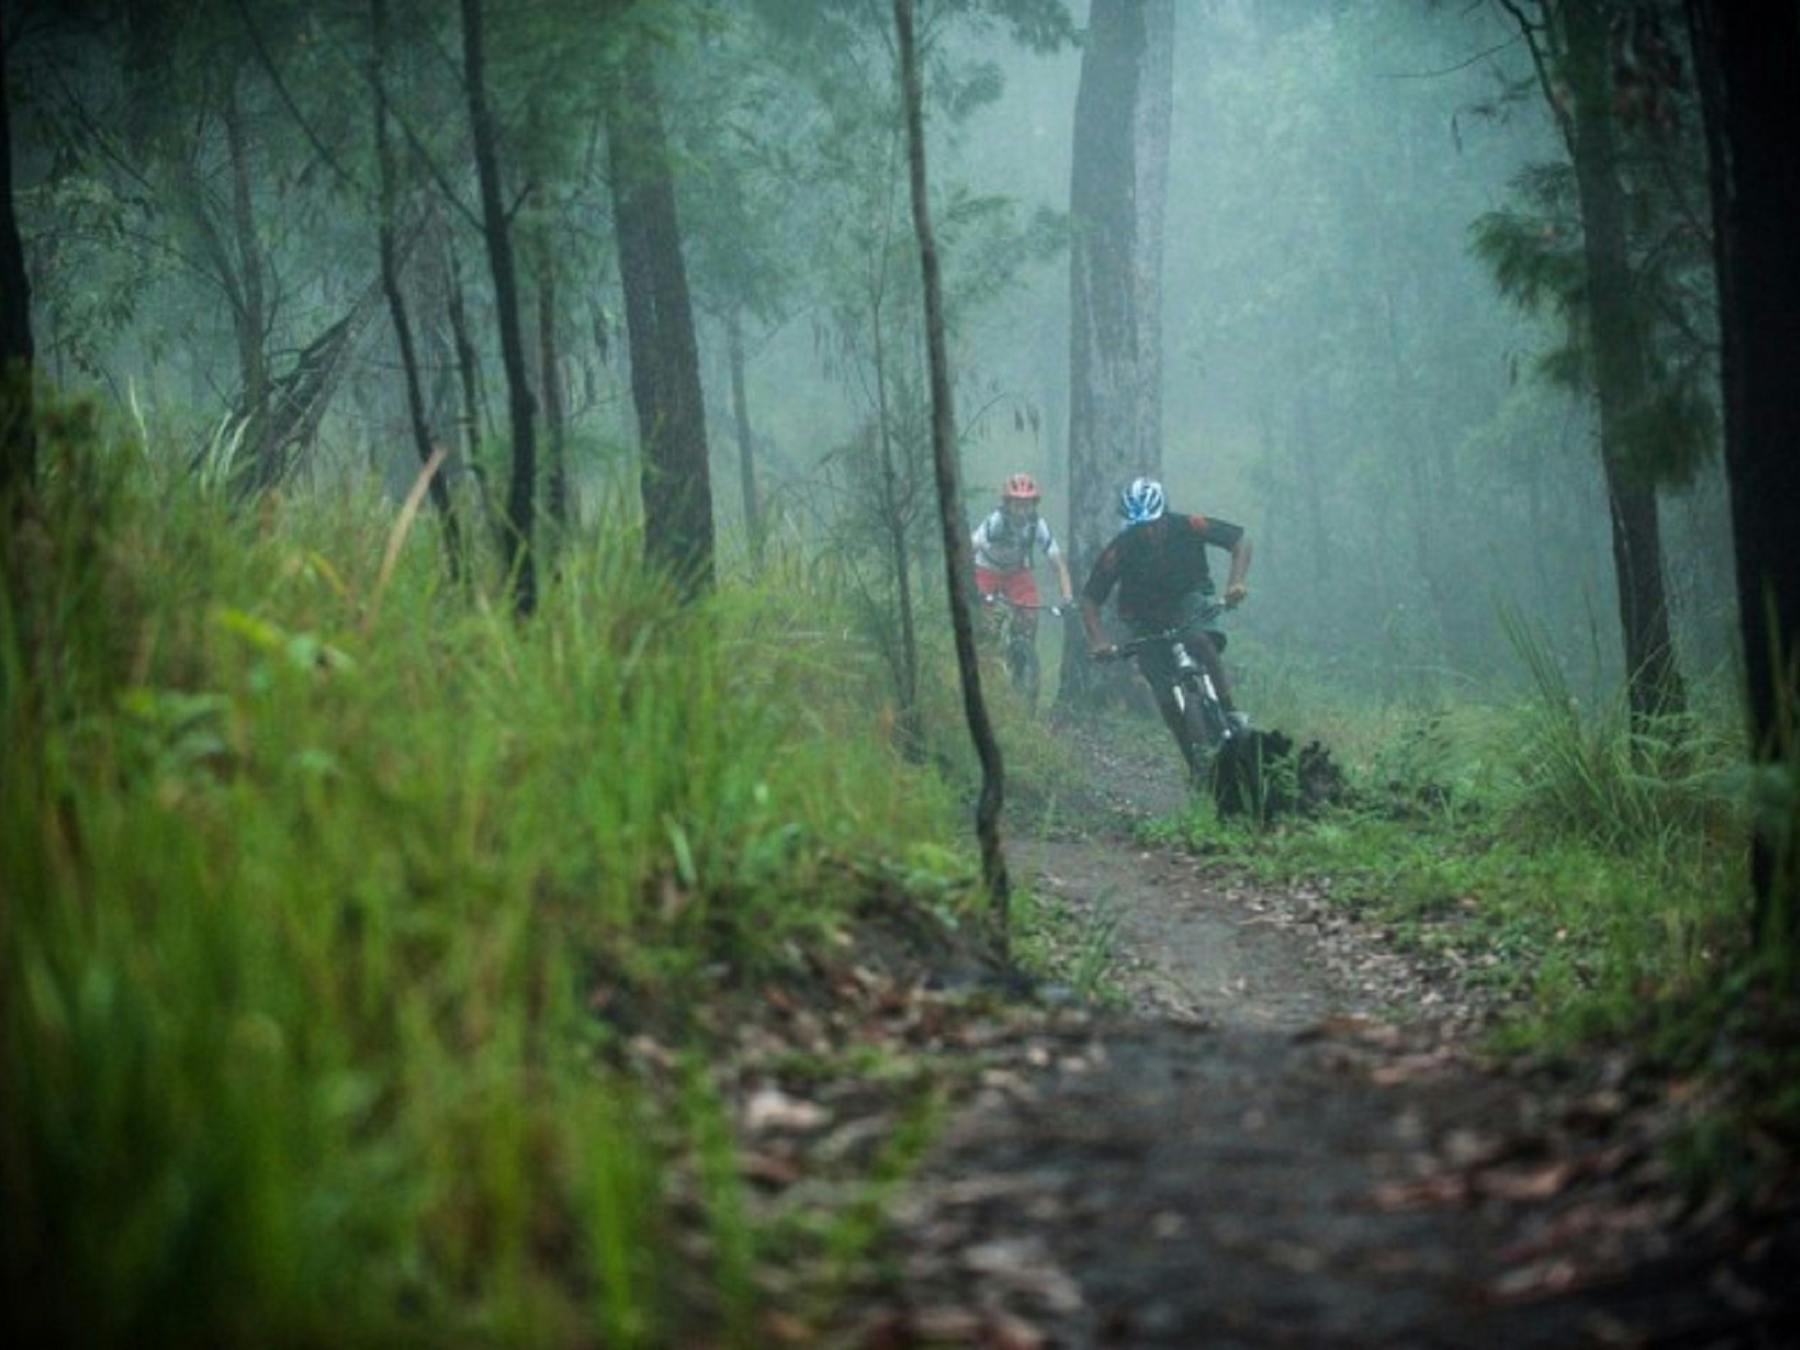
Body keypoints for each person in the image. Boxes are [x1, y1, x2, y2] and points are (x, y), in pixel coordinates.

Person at [1079, 475, 1253, 760]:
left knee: (1198, 640)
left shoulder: (1189, 525)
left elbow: (1239, 540)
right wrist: (1098, 640)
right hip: (1144, 618)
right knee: (1162, 690)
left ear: (1164, 516)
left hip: (1188, 599)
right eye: (1141, 527)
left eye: (1154, 524)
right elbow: (1089, 598)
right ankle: (1192, 759)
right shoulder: (1119, 549)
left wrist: (1236, 583)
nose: (1148, 532)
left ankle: (1230, 709)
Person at [972, 473, 1074, 646]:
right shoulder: (996, 521)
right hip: (986, 569)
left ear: (1034, 505)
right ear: (1007, 504)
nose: (1022, 511)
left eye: (1027, 505)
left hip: (1016, 571)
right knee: (986, 624)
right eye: (1017, 505)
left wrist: (1068, 599)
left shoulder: (1038, 525)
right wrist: (970, 586)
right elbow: (971, 548)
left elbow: (1059, 565)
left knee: (1029, 615)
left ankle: (1024, 654)